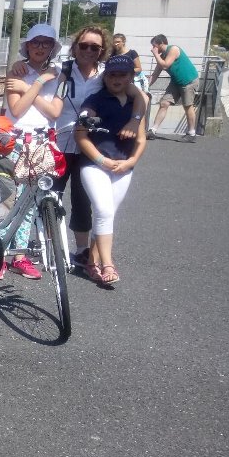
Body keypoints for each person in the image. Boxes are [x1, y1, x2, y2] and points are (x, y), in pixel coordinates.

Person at [11, 24, 109, 269]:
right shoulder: (63, 70)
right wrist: (22, 78)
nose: (88, 50)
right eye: (83, 45)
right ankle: (50, 248)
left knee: (83, 198)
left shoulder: (106, 75)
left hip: (89, 144)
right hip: (58, 142)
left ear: (102, 50)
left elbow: (130, 89)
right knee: (47, 196)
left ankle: (82, 251)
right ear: (74, 47)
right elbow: (44, 107)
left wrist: (138, 117)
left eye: (94, 47)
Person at [0, 23, 63, 280]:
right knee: (7, 199)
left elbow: (54, 112)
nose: (41, 47)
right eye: (36, 42)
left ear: (53, 47)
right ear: (28, 46)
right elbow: (17, 110)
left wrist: (33, 86)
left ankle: (19, 256)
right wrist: (37, 84)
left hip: (41, 142)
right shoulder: (17, 72)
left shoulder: (59, 75)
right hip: (15, 141)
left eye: (46, 43)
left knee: (31, 203)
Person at [74, 54, 147, 286]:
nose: (117, 79)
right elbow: (80, 134)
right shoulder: (95, 101)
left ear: (130, 77)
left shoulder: (136, 103)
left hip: (124, 167)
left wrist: (131, 162)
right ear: (105, 77)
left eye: (122, 75)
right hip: (95, 165)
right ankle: (108, 265)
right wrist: (101, 160)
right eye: (112, 75)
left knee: (106, 216)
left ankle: (92, 262)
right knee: (104, 211)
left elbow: (142, 139)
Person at [146, 34, 199, 142]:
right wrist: (146, 86)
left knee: (187, 106)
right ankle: (153, 130)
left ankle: (191, 133)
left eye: (154, 46)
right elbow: (155, 74)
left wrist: (156, 54)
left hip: (188, 81)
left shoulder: (173, 49)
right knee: (164, 103)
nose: (153, 48)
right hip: (176, 82)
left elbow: (165, 65)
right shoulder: (162, 56)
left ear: (161, 43)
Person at [111, 33, 151, 105]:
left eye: (118, 42)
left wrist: (125, 72)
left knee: (136, 102)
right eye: (114, 42)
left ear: (123, 42)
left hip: (130, 83)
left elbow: (139, 68)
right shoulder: (112, 55)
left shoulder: (132, 53)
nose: (116, 44)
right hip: (115, 84)